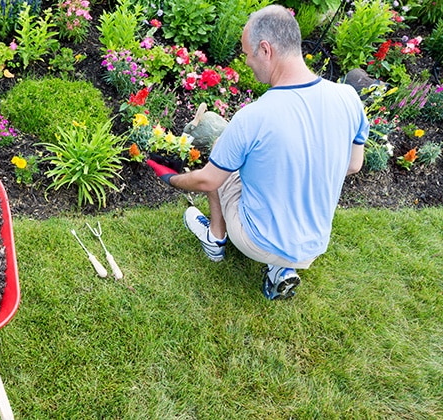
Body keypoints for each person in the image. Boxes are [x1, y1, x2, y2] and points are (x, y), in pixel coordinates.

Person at [147, 5, 368, 300]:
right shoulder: (348, 98)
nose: (247, 61)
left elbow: (208, 181)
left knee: (221, 154)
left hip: (257, 240)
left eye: (247, 53)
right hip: (313, 245)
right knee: (272, 167)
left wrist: (172, 178)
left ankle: (215, 238)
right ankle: (281, 269)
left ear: (265, 49)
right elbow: (354, 164)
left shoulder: (254, 117)